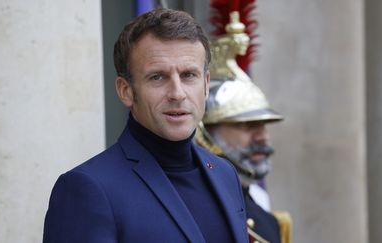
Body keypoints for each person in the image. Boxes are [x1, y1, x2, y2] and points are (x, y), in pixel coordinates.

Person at [43, 8, 249, 243]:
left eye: (189, 75)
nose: (177, 93)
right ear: (126, 91)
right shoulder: (87, 189)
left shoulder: (225, 174)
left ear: (206, 83)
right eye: (157, 77)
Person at [195, 11, 291, 243]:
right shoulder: (191, 206)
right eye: (248, 125)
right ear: (205, 132)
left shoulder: (268, 221)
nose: (263, 137)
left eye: (264, 126)